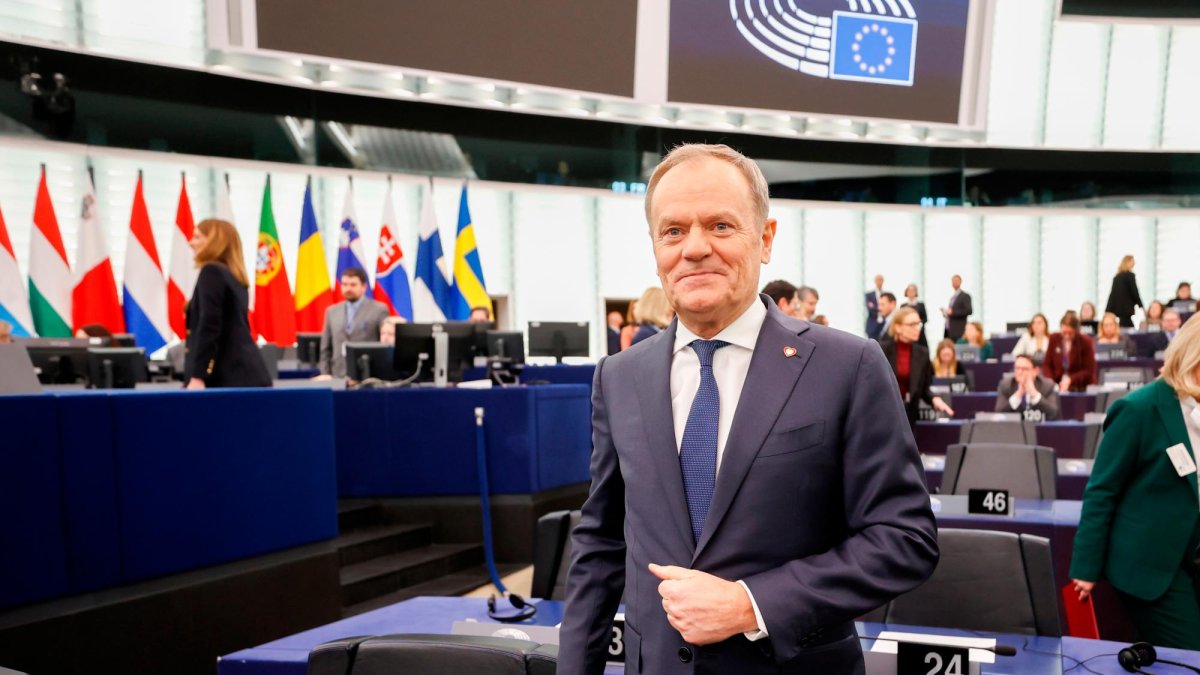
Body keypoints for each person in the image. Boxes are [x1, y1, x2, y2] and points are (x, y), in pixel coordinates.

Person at [559, 144, 938, 675]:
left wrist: (751, 605)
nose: (694, 248)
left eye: (719, 226)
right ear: (655, 248)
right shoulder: (617, 377)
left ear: (764, 239)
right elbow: (600, 545)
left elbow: (905, 540)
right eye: (673, 231)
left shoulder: (847, 365)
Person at [1070, 313, 1200, 649]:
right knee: (1190, 653)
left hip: (1193, 556)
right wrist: (1086, 567)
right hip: (1151, 566)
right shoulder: (1139, 409)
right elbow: (1102, 491)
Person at [183, 219, 270, 389]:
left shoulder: (211, 272)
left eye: (197, 237)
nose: (191, 242)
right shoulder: (235, 277)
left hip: (227, 377)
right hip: (246, 374)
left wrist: (198, 376)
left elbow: (210, 325)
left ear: (214, 242)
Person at [879, 306, 954, 425]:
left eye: (918, 324)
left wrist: (935, 399)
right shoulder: (881, 350)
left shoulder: (923, 353)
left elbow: (924, 388)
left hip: (910, 415)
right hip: (884, 415)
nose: (918, 329)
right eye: (912, 324)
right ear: (898, 327)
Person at [317, 268, 389, 379]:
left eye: (353, 285)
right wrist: (325, 374)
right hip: (337, 376)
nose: (348, 288)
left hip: (368, 375)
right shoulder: (331, 311)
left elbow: (385, 344)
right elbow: (325, 348)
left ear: (364, 287)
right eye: (345, 284)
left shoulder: (379, 310)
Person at [1043, 311, 1097, 393]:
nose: (1067, 335)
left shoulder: (1085, 341)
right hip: (1057, 385)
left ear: (1077, 330)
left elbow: (1089, 370)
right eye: (1064, 332)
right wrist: (1051, 382)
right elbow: (1047, 365)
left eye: (1070, 333)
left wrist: (1071, 379)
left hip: (1080, 387)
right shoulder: (1054, 339)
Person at [995, 354, 1060, 420]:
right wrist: (1018, 394)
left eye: (1024, 369)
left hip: (1039, 427)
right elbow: (999, 413)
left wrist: (1034, 394)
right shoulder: (1006, 385)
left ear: (1035, 371)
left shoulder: (1047, 386)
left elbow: (1054, 413)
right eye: (1017, 368)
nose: (1020, 372)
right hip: (1013, 428)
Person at [1105, 255, 1144, 328]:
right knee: (1128, 327)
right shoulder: (1130, 275)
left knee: (1123, 325)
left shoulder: (1116, 277)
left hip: (1118, 310)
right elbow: (1135, 292)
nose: (1134, 263)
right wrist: (1141, 305)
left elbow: (1112, 295)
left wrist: (1108, 309)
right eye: (1132, 261)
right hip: (1126, 310)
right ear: (1127, 262)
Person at [942, 274, 972, 340]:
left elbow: (969, 311)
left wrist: (953, 312)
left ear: (960, 282)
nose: (954, 283)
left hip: (958, 331)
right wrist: (946, 312)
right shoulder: (952, 297)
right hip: (948, 330)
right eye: (953, 281)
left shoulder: (965, 296)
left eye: (956, 281)